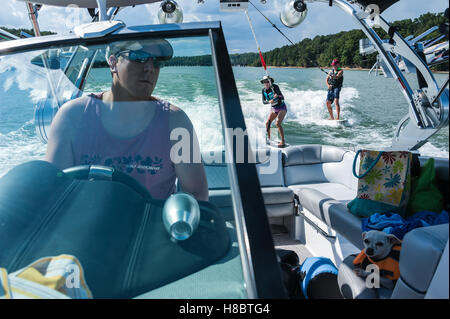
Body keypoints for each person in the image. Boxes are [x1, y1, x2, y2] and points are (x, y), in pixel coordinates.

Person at [45, 39, 208, 201]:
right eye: (139, 57)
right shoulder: (72, 116)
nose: (150, 68)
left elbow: (197, 196)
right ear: (113, 62)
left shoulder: (176, 122)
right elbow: (53, 192)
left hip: (151, 226)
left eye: (157, 62)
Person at [261, 75, 287, 148]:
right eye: (264, 82)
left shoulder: (275, 87)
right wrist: (270, 101)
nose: (266, 83)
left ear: (270, 82)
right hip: (274, 109)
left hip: (282, 107)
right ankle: (271, 139)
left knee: (277, 123)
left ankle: (283, 141)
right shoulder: (263, 90)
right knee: (267, 123)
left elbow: (282, 97)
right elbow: (263, 101)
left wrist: (277, 96)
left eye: (267, 82)